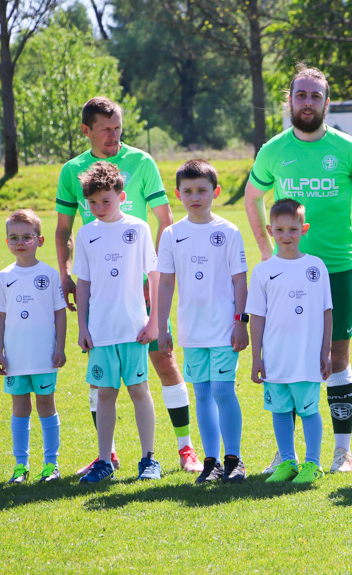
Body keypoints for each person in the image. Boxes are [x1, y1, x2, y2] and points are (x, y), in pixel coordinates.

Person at [245, 64, 352, 474]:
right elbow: (252, 197)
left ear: (326, 102)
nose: (307, 103)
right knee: (286, 358)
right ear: (289, 100)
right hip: (287, 270)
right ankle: (286, 454)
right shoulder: (274, 150)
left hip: (337, 269)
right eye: (301, 95)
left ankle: (342, 451)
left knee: (337, 356)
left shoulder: (347, 148)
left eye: (315, 96)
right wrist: (265, 247)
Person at [55, 97, 202, 475]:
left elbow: (164, 219)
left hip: (142, 291)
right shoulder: (72, 171)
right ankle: (110, 455)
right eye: (105, 129)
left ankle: (184, 449)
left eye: (118, 127)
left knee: (163, 360)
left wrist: (158, 288)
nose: (114, 136)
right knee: (102, 380)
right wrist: (65, 274)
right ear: (86, 130)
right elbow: (63, 230)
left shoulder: (141, 162)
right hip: (100, 295)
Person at [156, 160, 249, 484]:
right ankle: (211, 463)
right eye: (188, 191)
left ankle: (234, 459)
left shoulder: (228, 231)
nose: (195, 197)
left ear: (216, 192)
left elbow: (240, 281)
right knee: (203, 394)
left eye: (202, 191)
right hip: (191, 332)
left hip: (224, 329)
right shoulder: (171, 234)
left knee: (224, 391)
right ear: (178, 194)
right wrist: (162, 325)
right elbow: (165, 283)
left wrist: (241, 322)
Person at [74, 162, 161, 483]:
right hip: (99, 332)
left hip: (134, 329)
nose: (98, 208)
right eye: (92, 203)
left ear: (122, 196)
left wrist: (154, 320)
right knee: (105, 394)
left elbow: (154, 275)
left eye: (105, 201)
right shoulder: (86, 234)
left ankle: (148, 459)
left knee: (139, 390)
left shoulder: (137, 228)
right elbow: (83, 283)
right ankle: (104, 460)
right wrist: (82, 327)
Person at [247, 199, 333, 484]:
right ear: (270, 230)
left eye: (293, 229)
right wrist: (256, 358)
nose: (286, 236)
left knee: (309, 410)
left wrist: (326, 350)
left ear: (303, 229)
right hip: (275, 358)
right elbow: (257, 317)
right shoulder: (262, 271)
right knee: (280, 411)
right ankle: (287, 462)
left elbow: (326, 311)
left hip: (306, 357)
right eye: (280, 230)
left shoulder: (316, 266)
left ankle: (313, 464)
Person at [0, 209, 66, 484]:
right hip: (15, 356)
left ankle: (51, 465)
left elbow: (60, 313)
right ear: (7, 241)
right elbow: (0, 315)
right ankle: (20, 466)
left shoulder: (49, 275)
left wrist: (60, 347)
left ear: (40, 240)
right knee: (19, 409)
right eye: (14, 237)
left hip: (43, 355)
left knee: (46, 405)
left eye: (27, 237)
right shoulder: (4, 276)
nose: (20, 242)